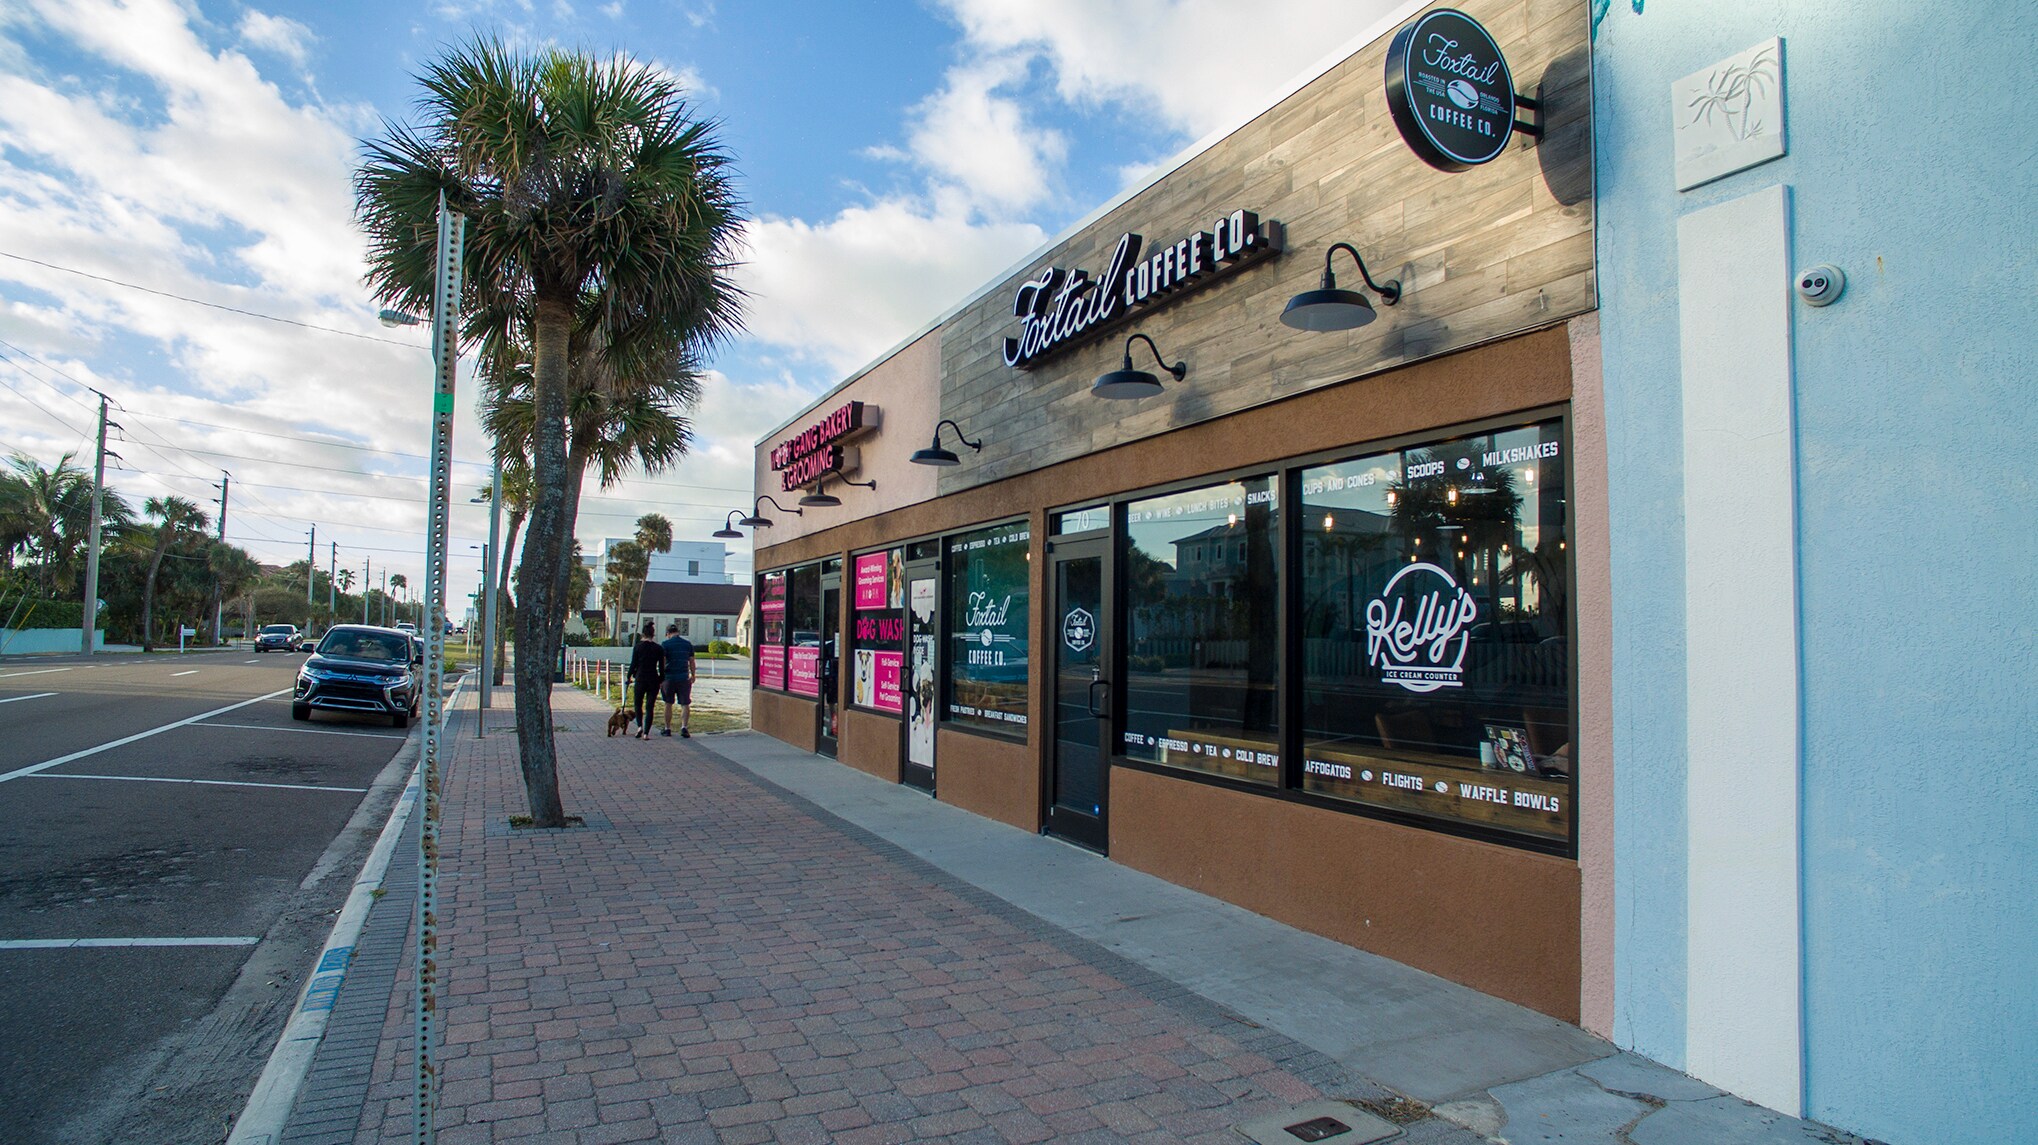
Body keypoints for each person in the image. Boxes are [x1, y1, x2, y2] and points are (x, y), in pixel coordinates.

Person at [626, 621, 666, 739]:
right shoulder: (658, 648)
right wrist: (661, 679)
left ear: (643, 634)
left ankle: (639, 726)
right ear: (653, 635)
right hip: (653, 679)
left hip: (640, 678)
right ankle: (646, 733)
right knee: (650, 706)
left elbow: (633, 664)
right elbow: (661, 667)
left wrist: (629, 676)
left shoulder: (638, 647)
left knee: (638, 704)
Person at [658, 621, 697, 738]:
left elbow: (663, 661)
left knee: (668, 703)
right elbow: (691, 661)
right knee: (685, 703)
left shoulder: (665, 644)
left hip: (669, 678)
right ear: (677, 632)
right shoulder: (687, 644)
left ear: (668, 633)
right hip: (684, 678)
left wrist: (661, 677)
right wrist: (693, 675)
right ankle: (684, 727)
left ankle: (667, 728)